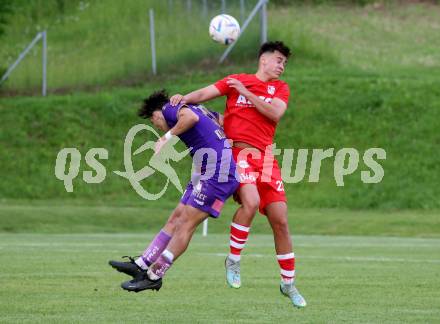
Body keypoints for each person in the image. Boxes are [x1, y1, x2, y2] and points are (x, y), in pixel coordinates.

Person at [170, 41, 307, 308]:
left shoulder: (280, 88)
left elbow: (275, 113)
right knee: (251, 202)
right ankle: (233, 260)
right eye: (278, 60)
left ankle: (288, 283)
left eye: (284, 63)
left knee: (280, 221)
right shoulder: (236, 81)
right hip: (237, 155)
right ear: (263, 60)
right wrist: (182, 98)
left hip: (265, 158)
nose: (282, 66)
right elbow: (206, 92)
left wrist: (248, 93)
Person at [109, 89, 238, 292]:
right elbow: (222, 121)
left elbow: (191, 117)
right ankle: (141, 265)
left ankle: (155, 275)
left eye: (154, 122)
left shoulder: (170, 109)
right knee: (176, 218)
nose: (157, 126)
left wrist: (165, 138)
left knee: (185, 223)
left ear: (156, 113)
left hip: (217, 174)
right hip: (205, 171)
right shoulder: (197, 108)